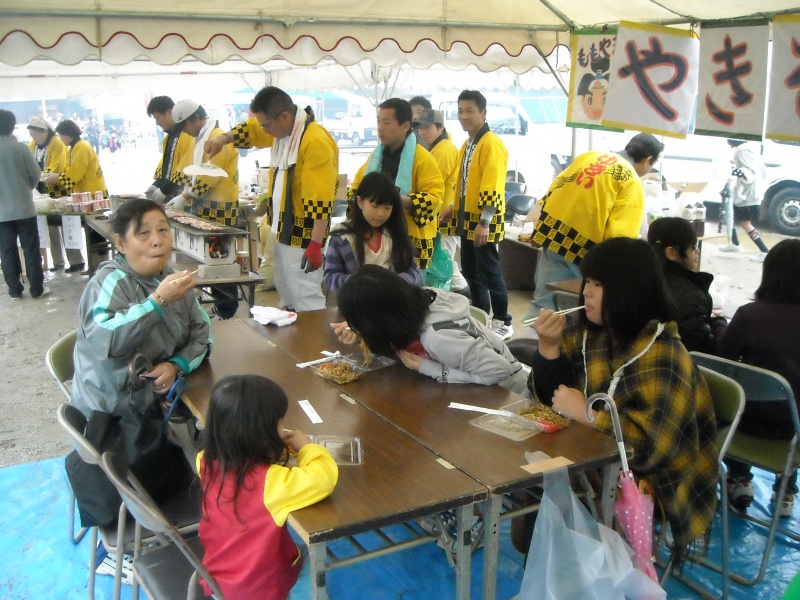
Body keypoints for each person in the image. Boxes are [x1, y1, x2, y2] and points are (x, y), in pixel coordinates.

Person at [526, 237, 718, 564]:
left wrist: (587, 414)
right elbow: (554, 397)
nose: (586, 292)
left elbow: (655, 448)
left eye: (598, 285)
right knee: (537, 477)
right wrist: (548, 347)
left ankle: (596, 566)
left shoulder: (664, 355)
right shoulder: (589, 333)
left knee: (554, 482)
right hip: (596, 454)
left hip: (650, 476)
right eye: (588, 281)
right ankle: (560, 564)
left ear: (630, 291)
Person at [70, 198, 209, 520]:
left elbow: (203, 334)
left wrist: (176, 365)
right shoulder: (110, 283)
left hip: (154, 401)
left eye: (163, 230)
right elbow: (107, 341)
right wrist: (158, 301)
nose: (157, 240)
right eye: (144, 233)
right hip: (115, 416)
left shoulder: (171, 279)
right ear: (121, 243)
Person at [197, 374, 338, 600]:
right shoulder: (270, 483)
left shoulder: (204, 461)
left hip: (219, 580)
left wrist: (267, 446)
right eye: (279, 423)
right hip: (258, 590)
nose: (282, 428)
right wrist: (306, 448)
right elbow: (323, 479)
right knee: (306, 556)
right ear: (260, 432)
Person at [204, 86, 339, 312]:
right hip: (281, 228)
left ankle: (313, 334)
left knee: (305, 293)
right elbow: (252, 129)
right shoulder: (283, 131)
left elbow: (321, 196)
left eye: (266, 125)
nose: (264, 131)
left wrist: (316, 243)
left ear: (284, 116)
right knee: (286, 289)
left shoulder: (314, 140)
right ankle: (293, 328)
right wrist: (223, 138)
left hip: (304, 233)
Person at [525, 132, 664, 324]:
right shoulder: (629, 178)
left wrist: (539, 229)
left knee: (545, 302)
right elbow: (621, 238)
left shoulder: (589, 157)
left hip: (553, 235)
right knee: (586, 305)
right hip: (586, 252)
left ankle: (531, 337)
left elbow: (555, 188)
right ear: (648, 160)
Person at [333, 264, 530, 396]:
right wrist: (364, 333)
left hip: (507, 396)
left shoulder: (437, 338)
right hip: (473, 389)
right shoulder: (420, 300)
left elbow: (499, 371)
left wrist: (432, 369)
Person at [717, 239, 800, 517]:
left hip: (745, 428)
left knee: (730, 402)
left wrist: (718, 324)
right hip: (794, 434)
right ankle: (786, 491)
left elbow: (721, 361)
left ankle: (739, 478)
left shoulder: (747, 316)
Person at [350, 98, 444, 273]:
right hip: (377, 238)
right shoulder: (375, 157)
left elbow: (435, 198)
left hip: (410, 240)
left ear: (406, 125)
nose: (380, 128)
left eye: (386, 122)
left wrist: (398, 200)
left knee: (408, 286)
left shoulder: (423, 159)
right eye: (378, 121)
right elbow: (357, 188)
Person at [170, 99, 241, 319]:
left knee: (220, 261)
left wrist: (184, 196)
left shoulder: (217, 137)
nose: (184, 131)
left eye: (185, 125)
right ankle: (220, 305)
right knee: (209, 261)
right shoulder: (200, 139)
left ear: (197, 118)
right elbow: (189, 169)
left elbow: (210, 174)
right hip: (205, 208)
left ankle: (227, 309)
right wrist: (178, 190)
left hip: (221, 209)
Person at [452, 90, 512, 339]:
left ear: (483, 113)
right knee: (471, 271)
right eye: (460, 111)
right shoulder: (468, 144)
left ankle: (503, 320)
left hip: (484, 220)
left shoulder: (491, 143)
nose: (463, 116)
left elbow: (493, 185)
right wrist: (453, 208)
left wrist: (485, 221)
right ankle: (481, 316)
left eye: (469, 110)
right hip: (468, 219)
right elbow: (465, 183)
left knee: (489, 272)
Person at [323, 171, 422, 293]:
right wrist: (362, 285)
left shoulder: (395, 233)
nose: (381, 214)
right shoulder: (341, 237)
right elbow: (330, 276)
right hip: (355, 301)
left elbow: (414, 271)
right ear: (360, 202)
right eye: (375, 206)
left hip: (393, 299)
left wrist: (394, 282)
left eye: (387, 208)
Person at [647, 217, 727, 353]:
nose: (697, 251)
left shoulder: (644, 279)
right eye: (693, 247)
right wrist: (719, 323)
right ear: (671, 253)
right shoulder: (691, 295)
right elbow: (701, 348)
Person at [414, 108, 469, 293]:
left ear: (440, 127)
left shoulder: (443, 150)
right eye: (420, 127)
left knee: (443, 265)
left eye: (427, 127)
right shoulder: (437, 148)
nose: (423, 132)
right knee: (445, 263)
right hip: (441, 217)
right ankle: (465, 296)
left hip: (444, 217)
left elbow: (431, 183)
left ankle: (465, 297)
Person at [44, 118, 110, 273]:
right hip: (86, 195)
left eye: (61, 135)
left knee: (96, 232)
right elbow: (69, 171)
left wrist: (56, 178)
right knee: (90, 231)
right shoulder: (73, 148)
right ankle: (94, 266)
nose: (60, 139)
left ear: (68, 134)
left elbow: (74, 174)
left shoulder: (81, 147)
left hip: (93, 195)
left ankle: (101, 267)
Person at [0, 109, 47, 299]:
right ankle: (36, 289)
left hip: (1, 214)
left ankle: (14, 290)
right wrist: (25, 188)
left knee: (7, 251)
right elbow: (35, 175)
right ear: (11, 126)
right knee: (30, 249)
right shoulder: (21, 148)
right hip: (24, 209)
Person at [26, 116, 75, 273]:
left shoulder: (57, 144)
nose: (34, 138)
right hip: (41, 192)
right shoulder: (32, 145)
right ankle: (57, 261)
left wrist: (38, 175)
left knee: (67, 225)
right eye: (32, 135)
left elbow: (56, 168)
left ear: (45, 131)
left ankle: (76, 261)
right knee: (50, 226)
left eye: (36, 134)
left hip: (59, 190)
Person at [719, 139, 769, 262]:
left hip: (747, 195)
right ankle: (734, 243)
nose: (727, 143)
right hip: (747, 193)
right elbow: (762, 171)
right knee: (730, 217)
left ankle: (764, 251)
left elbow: (749, 173)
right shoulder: (750, 150)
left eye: (729, 140)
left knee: (745, 223)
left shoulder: (742, 152)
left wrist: (733, 171)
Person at [144, 96, 193, 203]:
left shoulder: (187, 134)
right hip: (171, 196)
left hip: (185, 197)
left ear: (170, 112)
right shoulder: (168, 138)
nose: (157, 123)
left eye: (157, 117)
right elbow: (166, 166)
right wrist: (157, 184)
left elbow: (186, 166)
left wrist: (165, 189)